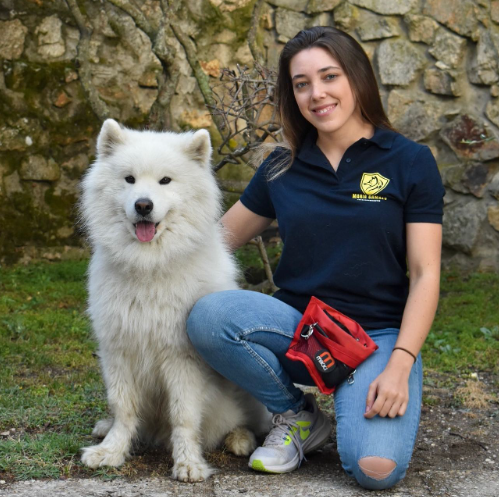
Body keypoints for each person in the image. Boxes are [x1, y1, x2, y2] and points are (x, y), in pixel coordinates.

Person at [186, 26, 444, 490]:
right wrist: (144, 239)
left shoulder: (409, 161)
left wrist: (400, 364)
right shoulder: (282, 166)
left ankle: (355, 394)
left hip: (374, 337)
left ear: (357, 78)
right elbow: (215, 241)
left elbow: (426, 274)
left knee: (375, 471)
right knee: (209, 316)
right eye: (302, 84)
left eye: (329, 77)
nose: (317, 94)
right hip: (300, 328)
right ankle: (297, 415)